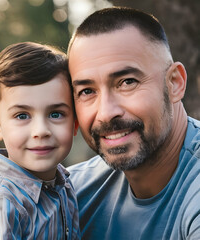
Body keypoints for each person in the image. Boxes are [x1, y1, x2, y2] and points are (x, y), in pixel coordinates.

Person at [67, 6, 200, 239]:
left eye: (127, 82)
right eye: (87, 91)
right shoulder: (70, 196)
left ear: (175, 83)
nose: (106, 113)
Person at [0, 42, 80, 239]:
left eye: (55, 114)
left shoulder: (63, 185)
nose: (41, 131)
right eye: (22, 116)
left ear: (75, 123)